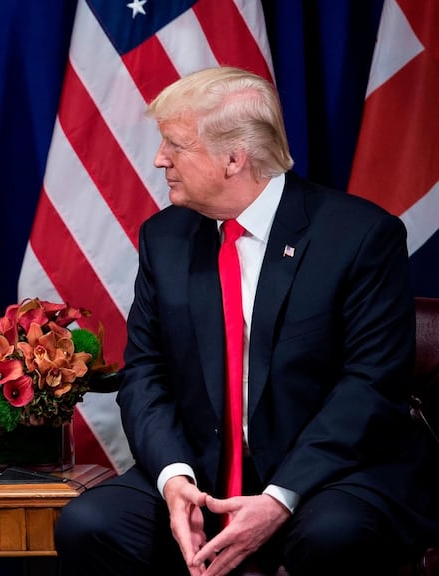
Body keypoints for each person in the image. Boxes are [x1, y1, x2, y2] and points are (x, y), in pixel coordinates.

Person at [54, 66, 437, 575]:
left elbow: (368, 387)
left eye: (175, 144)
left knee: (333, 536)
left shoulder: (361, 237)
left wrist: (279, 497)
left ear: (235, 158)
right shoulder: (165, 239)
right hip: (202, 470)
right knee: (90, 524)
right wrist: (174, 479)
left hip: (329, 473)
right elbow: (145, 374)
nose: (159, 159)